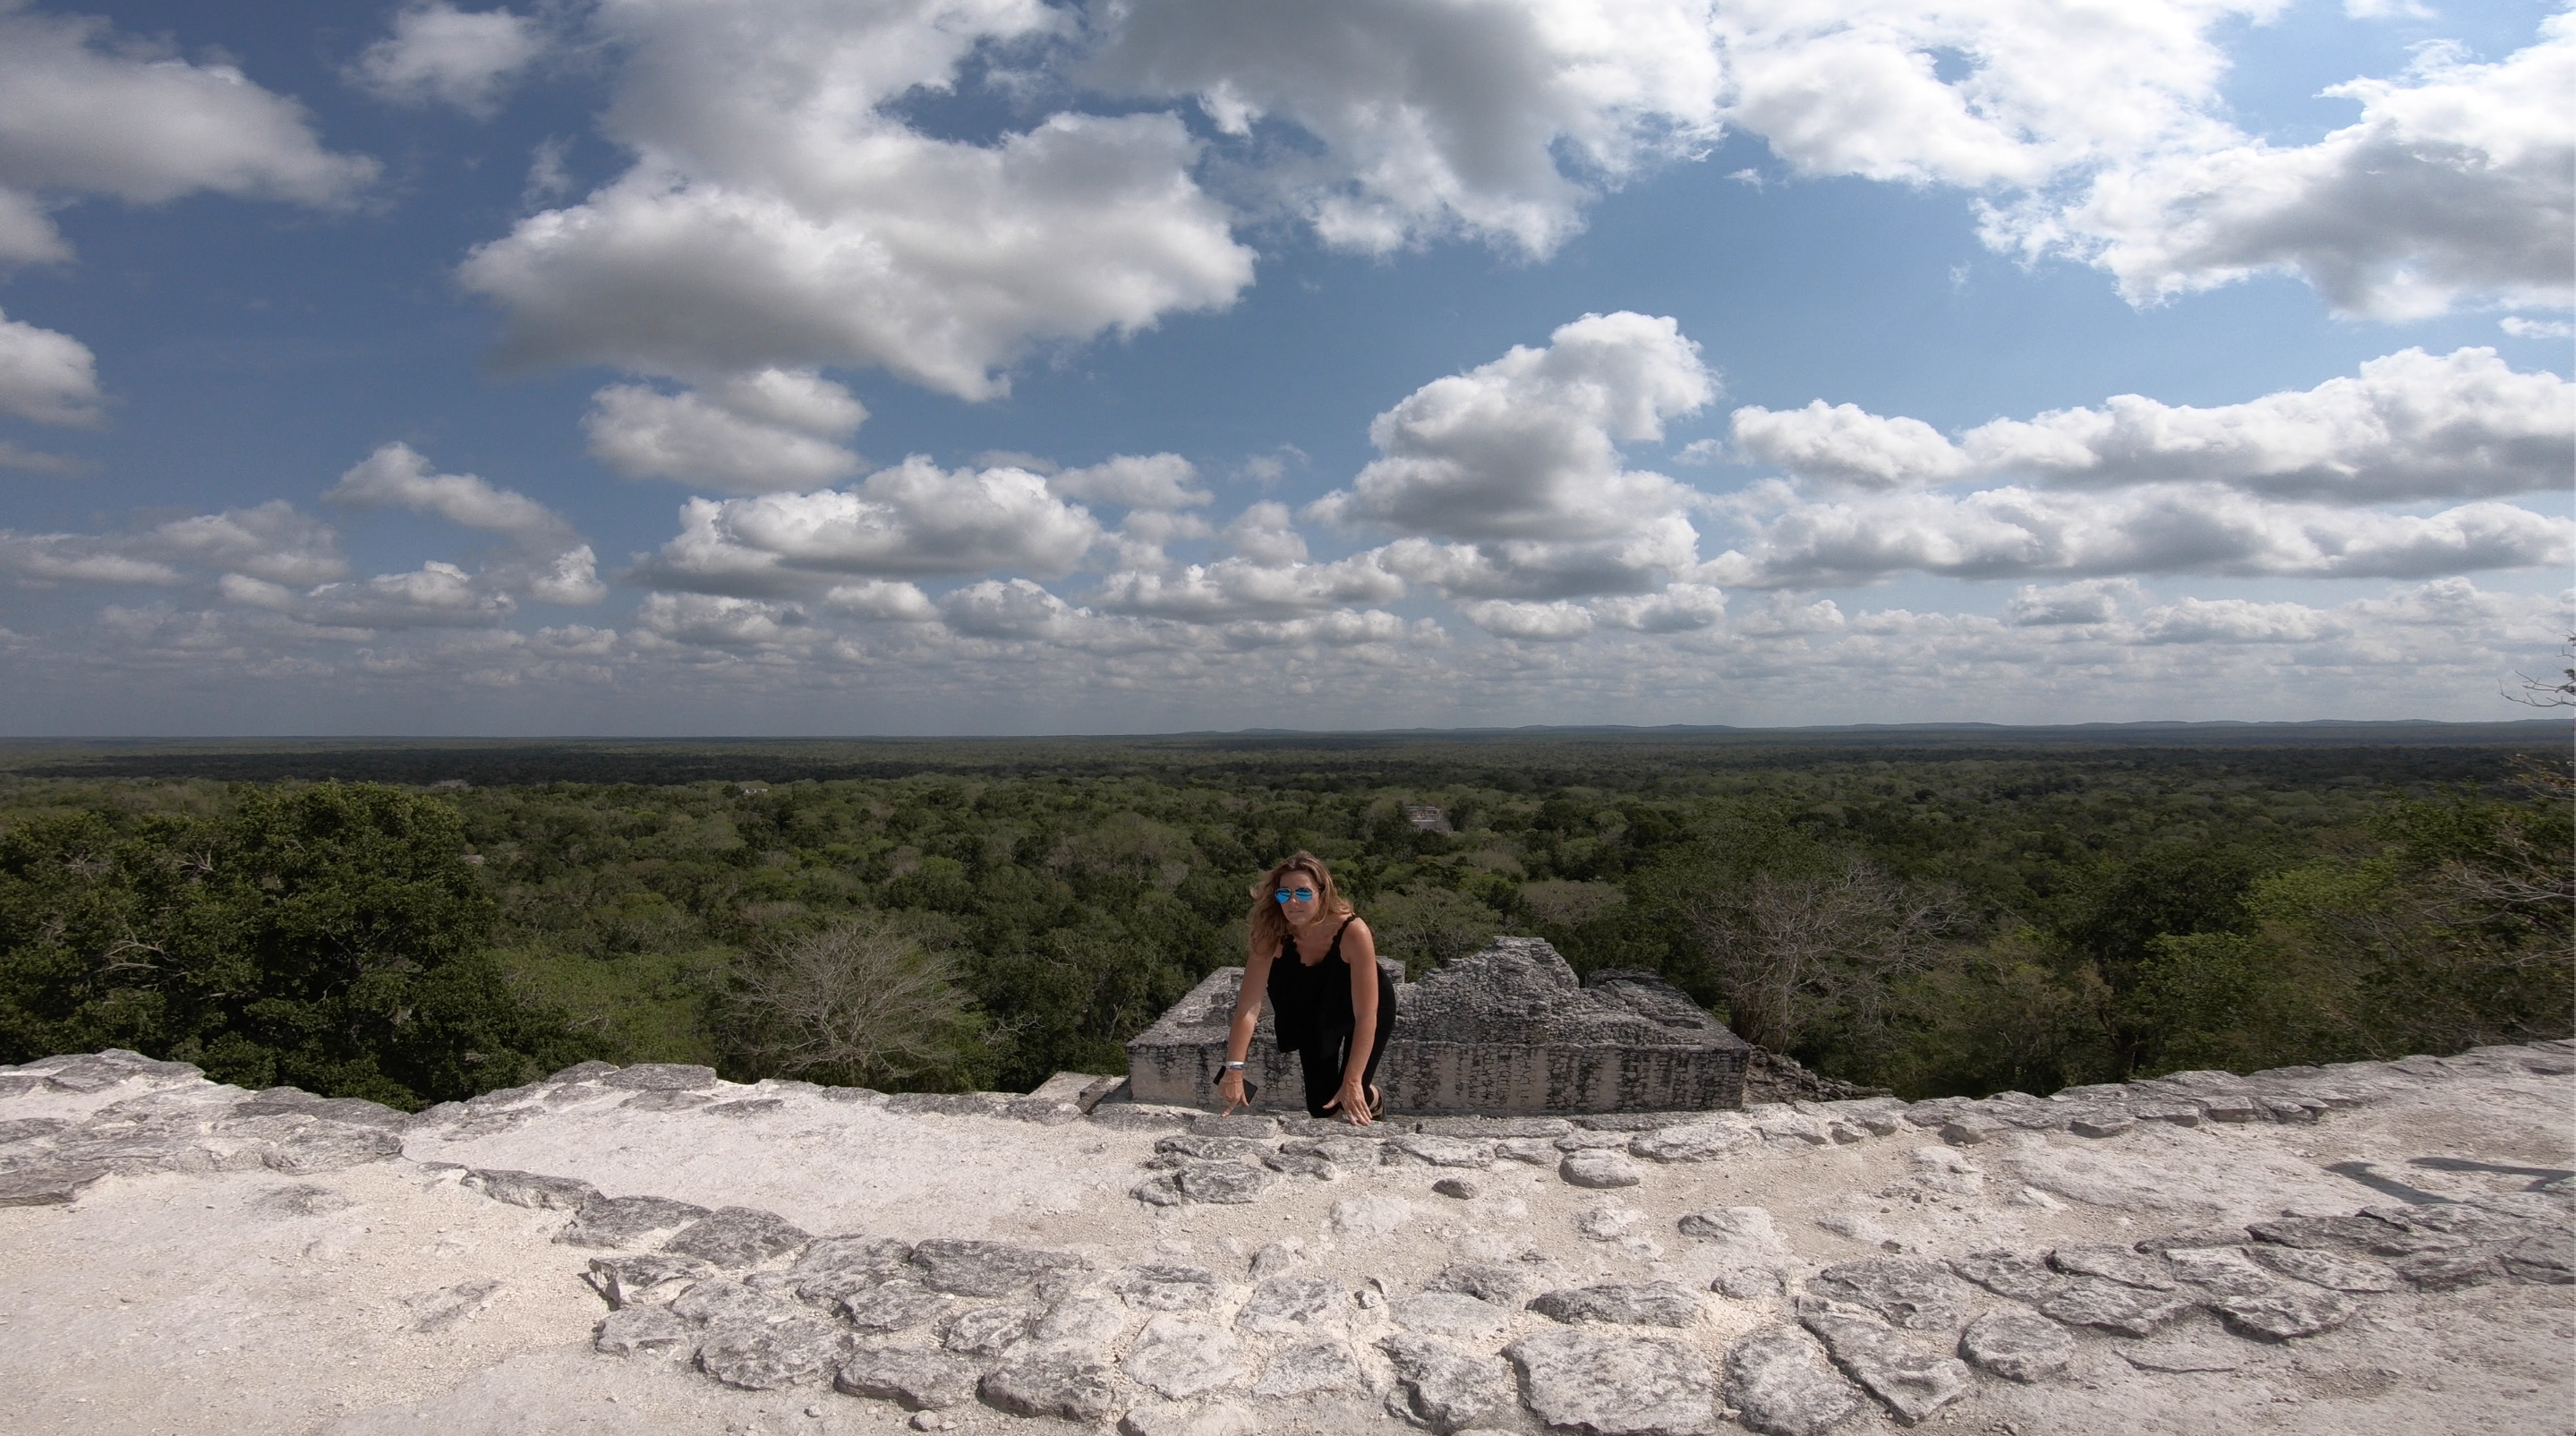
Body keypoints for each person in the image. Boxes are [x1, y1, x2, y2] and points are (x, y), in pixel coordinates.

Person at [1215, 851, 1396, 1124]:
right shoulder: (1271, 933)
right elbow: (1248, 1009)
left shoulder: (1353, 931)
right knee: (1322, 1106)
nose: (1293, 902)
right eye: (1284, 894)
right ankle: (1359, 1097)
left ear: (1322, 893)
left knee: (1350, 1093)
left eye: (1303, 892)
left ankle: (1372, 1097)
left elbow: (1365, 1015)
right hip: (1315, 1008)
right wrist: (1234, 1070)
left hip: (1367, 1006)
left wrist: (1353, 1080)